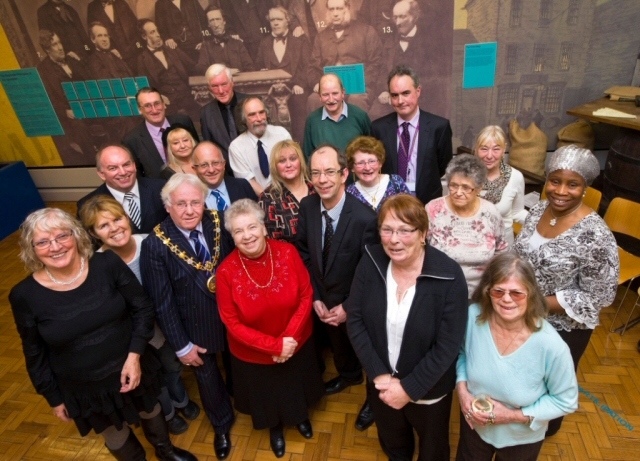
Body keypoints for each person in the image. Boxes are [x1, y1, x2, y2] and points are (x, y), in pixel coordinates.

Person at [9, 208, 196, 461]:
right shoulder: (24, 295)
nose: (55, 247)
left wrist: (134, 356)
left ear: (76, 236)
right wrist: (53, 398)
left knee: (151, 411)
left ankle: (166, 451)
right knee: (115, 435)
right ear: (32, 249)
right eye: (42, 242)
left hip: (135, 365)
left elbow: (142, 308)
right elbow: (34, 352)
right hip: (86, 388)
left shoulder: (106, 263)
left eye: (62, 236)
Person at [347, 194, 468, 461]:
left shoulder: (449, 276)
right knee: (394, 444)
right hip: (382, 385)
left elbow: (448, 345)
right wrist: (379, 375)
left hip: (428, 392)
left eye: (405, 230)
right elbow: (355, 320)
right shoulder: (371, 260)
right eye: (387, 229)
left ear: (423, 233)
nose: (394, 239)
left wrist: (409, 389)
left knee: (432, 450)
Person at [513, 145, 619, 436]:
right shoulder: (538, 210)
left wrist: (538, 304)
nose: (560, 191)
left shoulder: (595, 234)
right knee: (524, 376)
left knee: (552, 382)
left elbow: (600, 296)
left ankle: (545, 430)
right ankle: (519, 418)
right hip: (522, 314)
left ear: (585, 188)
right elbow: (519, 250)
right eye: (554, 181)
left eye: (572, 184)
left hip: (563, 328)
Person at [80, 196, 201, 436]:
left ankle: (181, 400)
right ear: (94, 233)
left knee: (172, 366)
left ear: (127, 218)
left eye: (117, 218)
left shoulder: (151, 242)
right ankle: (168, 414)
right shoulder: (98, 265)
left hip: (166, 325)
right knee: (152, 380)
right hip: (135, 336)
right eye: (104, 225)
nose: (114, 228)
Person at [216, 199, 324, 458]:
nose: (247, 235)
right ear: (232, 237)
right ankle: (275, 429)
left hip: (296, 342)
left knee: (296, 384)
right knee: (268, 396)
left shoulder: (287, 252)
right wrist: (274, 346)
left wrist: (288, 339)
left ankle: (300, 418)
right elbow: (231, 322)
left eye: (252, 227)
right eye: (239, 231)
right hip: (254, 355)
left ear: (263, 228)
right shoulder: (225, 272)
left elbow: (305, 295)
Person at [140, 174, 235, 460]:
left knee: (238, 367)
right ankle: (221, 425)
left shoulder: (219, 221)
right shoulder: (155, 244)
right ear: (168, 206)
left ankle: (245, 402)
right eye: (181, 204)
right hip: (193, 326)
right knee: (207, 378)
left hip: (233, 316)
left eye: (195, 202)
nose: (190, 210)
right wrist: (181, 345)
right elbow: (162, 302)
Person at [456, 253, 578, 460]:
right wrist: (462, 392)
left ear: (531, 295)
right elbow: (462, 355)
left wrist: (511, 416)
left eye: (516, 293)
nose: (506, 299)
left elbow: (566, 401)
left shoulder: (551, 346)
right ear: (488, 292)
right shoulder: (473, 317)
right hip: (474, 425)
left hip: (521, 438)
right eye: (498, 291)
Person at [296, 144, 378, 431]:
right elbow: (304, 252)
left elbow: (370, 272)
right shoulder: (307, 207)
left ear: (345, 174)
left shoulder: (366, 218)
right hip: (324, 301)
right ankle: (348, 374)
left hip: (356, 304)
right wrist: (315, 297)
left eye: (330, 171)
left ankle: (374, 402)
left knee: (369, 354)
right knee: (340, 347)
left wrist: (349, 306)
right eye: (316, 173)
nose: (323, 179)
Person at [426, 154, 508, 296]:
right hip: (440, 289)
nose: (458, 192)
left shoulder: (490, 212)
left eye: (466, 187)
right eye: (453, 185)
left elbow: (501, 251)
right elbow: (420, 247)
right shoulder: (433, 209)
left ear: (479, 188)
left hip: (480, 292)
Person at [372, 65, 453, 205]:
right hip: (391, 203)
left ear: (418, 91)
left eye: (405, 93)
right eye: (394, 95)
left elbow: (442, 165)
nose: (400, 101)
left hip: (427, 202)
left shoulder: (439, 127)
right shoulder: (378, 128)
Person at [306, 0, 383, 112]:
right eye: (331, 9)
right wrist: (317, 83)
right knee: (313, 100)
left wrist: (360, 82)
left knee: (356, 100)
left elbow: (376, 63)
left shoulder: (366, 31)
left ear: (347, 8)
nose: (335, 13)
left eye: (339, 8)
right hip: (329, 88)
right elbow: (313, 67)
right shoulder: (321, 37)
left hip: (360, 88)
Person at [77, 145, 168, 235]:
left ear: (134, 165)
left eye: (126, 165)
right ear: (102, 174)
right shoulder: (86, 205)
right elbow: (90, 244)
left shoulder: (161, 187)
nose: (123, 172)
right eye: (113, 168)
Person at [36, 30, 94, 164]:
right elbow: (49, 98)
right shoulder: (43, 70)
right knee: (79, 127)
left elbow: (89, 81)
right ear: (47, 49)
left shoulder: (72, 60)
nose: (60, 47)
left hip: (87, 105)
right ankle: (93, 163)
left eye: (59, 42)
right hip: (68, 114)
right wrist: (65, 112)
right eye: (54, 44)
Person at [255, 5, 311, 142]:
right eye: (272, 20)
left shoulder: (300, 40)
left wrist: (300, 84)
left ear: (287, 20)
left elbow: (308, 66)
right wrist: (263, 73)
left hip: (295, 87)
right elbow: (259, 65)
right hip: (271, 90)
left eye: (279, 19)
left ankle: (300, 144)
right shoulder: (265, 43)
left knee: (299, 102)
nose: (275, 23)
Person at [123, 87, 199, 179]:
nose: (154, 110)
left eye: (157, 103)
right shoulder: (132, 140)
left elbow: (198, 151)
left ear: (164, 104)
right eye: (147, 106)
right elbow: (137, 175)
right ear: (140, 110)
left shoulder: (183, 121)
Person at [135, 19, 200, 120]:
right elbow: (143, 87)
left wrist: (195, 88)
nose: (158, 35)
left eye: (157, 31)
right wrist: (158, 96)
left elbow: (194, 67)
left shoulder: (172, 49)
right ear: (144, 36)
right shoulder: (141, 59)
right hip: (166, 102)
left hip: (186, 95)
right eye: (152, 32)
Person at [473, 126, 527, 245]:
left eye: (496, 149)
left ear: (504, 150)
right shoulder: (465, 175)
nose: (489, 155)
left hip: (503, 244)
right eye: (484, 149)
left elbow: (517, 213)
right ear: (476, 149)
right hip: (472, 242)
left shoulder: (515, 177)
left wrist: (540, 221)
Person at [228, 97, 292, 195]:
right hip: (258, 202)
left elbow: (293, 168)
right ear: (244, 119)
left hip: (289, 195)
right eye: (252, 115)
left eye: (262, 112)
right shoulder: (236, 147)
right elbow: (249, 182)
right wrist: (270, 200)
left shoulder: (282, 134)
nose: (259, 119)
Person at [303, 74, 372, 158]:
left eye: (335, 93)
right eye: (325, 95)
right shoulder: (312, 120)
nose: (331, 99)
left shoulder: (360, 116)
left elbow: (372, 152)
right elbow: (308, 158)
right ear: (319, 96)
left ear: (343, 93)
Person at [259, 139, 314, 243]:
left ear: (301, 161)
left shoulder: (315, 188)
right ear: (275, 166)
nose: (288, 165)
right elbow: (274, 244)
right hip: (291, 257)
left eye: (293, 159)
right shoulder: (268, 198)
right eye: (282, 161)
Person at [200, 64, 247, 175]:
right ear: (209, 87)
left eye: (224, 84)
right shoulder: (205, 113)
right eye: (215, 86)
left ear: (232, 83)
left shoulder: (251, 102)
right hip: (228, 175)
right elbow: (210, 150)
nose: (221, 91)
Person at [346, 136, 410, 212]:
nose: (367, 167)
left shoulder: (396, 183)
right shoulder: (349, 193)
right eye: (360, 163)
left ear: (380, 163)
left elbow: (411, 214)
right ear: (352, 167)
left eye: (372, 161)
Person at [192, 141, 258, 211]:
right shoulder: (190, 195)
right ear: (195, 169)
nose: (211, 170)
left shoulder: (243, 185)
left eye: (215, 163)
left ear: (224, 164)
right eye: (204, 165)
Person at [195, 6, 254, 74]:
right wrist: (222, 71)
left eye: (218, 19)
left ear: (224, 21)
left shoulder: (237, 43)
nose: (216, 24)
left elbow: (250, 67)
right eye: (212, 20)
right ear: (208, 24)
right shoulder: (205, 46)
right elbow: (200, 68)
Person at [87, 0, 140, 70]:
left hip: (133, 52)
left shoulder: (122, 3)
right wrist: (109, 50)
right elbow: (93, 33)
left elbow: (136, 26)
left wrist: (136, 47)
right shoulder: (92, 7)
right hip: (112, 56)